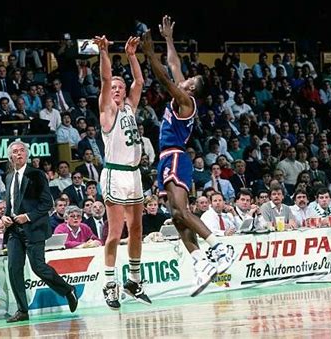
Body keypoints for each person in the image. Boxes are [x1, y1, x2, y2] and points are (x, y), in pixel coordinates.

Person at [141, 16, 234, 297]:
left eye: (190, 80)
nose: (185, 79)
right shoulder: (185, 94)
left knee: (182, 211)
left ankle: (218, 246)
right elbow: (173, 64)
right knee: (176, 216)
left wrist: (148, 53)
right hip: (166, 158)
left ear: (191, 89)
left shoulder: (184, 100)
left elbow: (162, 76)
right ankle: (200, 263)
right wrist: (168, 39)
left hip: (175, 157)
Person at [93, 33, 151, 309]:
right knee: (115, 233)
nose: (116, 89)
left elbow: (139, 81)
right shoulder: (107, 111)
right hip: (115, 174)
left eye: (120, 86)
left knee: (136, 229)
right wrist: (104, 52)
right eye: (113, 86)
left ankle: (134, 281)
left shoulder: (129, 107)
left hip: (134, 174)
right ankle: (109, 284)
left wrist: (131, 56)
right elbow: (105, 79)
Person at [1, 140, 77, 323]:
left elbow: (46, 203)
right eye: (15, 152)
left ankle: (67, 290)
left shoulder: (36, 174)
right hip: (13, 229)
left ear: (26, 155)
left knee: (38, 267)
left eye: (21, 151)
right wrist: (4, 216)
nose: (18, 154)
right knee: (13, 269)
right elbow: (11, 203)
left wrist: (28, 216)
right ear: (10, 156)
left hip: (33, 228)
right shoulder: (9, 177)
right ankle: (22, 310)